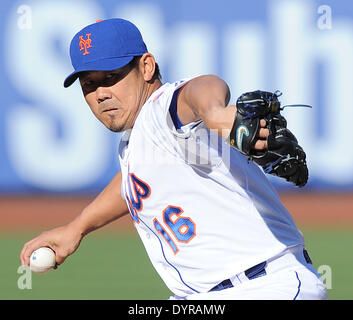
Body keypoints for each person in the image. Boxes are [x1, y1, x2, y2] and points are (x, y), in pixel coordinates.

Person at [20, 18, 327, 300]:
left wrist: (216, 114)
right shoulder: (139, 142)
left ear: (147, 67)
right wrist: (77, 228)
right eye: (89, 84)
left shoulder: (161, 110)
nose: (101, 93)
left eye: (111, 77)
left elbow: (200, 89)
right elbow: (134, 184)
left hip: (265, 287)